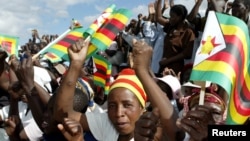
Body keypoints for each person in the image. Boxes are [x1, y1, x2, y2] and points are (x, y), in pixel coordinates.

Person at [53, 38, 147, 141]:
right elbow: (62, 114)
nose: (119, 113)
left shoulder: (152, 136)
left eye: (127, 105)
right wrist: (76, 63)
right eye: (112, 106)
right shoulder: (108, 123)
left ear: (142, 108)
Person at [132, 39, 184, 141]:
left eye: (164, 91)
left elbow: (175, 131)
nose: (159, 92)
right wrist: (146, 66)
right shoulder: (145, 111)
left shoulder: (176, 115)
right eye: (157, 87)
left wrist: (141, 70)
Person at [156, 0, 195, 75]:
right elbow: (158, 18)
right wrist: (159, 2)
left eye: (172, 16)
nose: (170, 19)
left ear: (179, 17)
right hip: (164, 67)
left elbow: (186, 54)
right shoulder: (171, 27)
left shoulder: (188, 32)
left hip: (175, 70)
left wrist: (168, 61)